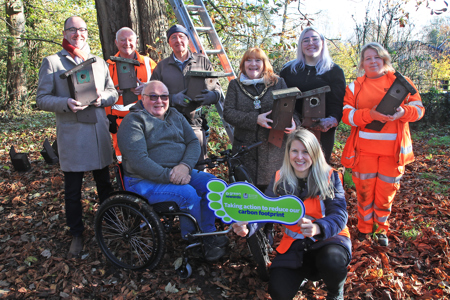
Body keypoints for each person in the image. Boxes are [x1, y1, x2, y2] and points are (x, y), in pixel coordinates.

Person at [233, 128, 351, 300]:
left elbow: (339, 214)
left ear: (315, 153)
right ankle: (302, 274)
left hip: (329, 241)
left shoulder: (330, 177)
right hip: (294, 245)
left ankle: (335, 292)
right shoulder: (279, 178)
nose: (299, 157)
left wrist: (318, 227)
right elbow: (265, 211)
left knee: (332, 261)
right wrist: (248, 226)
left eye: (305, 152)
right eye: (294, 151)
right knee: (279, 292)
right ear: (288, 153)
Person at [117, 80, 228, 261]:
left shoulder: (174, 114)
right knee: (188, 193)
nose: (159, 101)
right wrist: (170, 175)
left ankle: (207, 233)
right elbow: (139, 161)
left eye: (164, 96)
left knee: (215, 185)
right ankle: (192, 240)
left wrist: (184, 166)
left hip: (179, 171)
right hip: (143, 180)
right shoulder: (133, 121)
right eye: (153, 96)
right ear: (143, 98)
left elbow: (193, 142)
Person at [36, 16, 118, 256]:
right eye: (72, 29)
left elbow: (112, 91)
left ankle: (111, 223)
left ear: (86, 33)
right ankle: (76, 233)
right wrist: (65, 103)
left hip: (98, 132)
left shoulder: (99, 62)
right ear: (65, 33)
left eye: (81, 29)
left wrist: (104, 98)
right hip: (73, 134)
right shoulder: (52, 62)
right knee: (73, 190)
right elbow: (42, 98)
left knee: (104, 183)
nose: (77, 34)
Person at [341, 42, 425, 246]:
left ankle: (380, 231)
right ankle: (363, 229)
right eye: (368, 58)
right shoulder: (354, 87)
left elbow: (419, 110)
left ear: (384, 59)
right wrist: (370, 114)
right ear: (362, 63)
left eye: (377, 57)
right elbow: (346, 116)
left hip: (392, 153)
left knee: (385, 194)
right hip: (364, 152)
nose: (372, 61)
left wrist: (403, 112)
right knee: (364, 191)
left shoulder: (402, 83)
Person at [223, 47, 297, 191]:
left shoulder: (278, 83)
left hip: (273, 153)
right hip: (245, 153)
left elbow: (292, 111)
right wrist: (254, 119)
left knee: (272, 200)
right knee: (245, 198)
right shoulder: (235, 85)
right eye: (248, 60)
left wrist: (294, 123)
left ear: (264, 63)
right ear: (243, 64)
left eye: (258, 60)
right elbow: (228, 113)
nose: (253, 64)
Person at [151, 24, 221, 163]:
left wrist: (212, 96)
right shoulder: (162, 67)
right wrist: (172, 99)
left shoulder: (202, 61)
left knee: (198, 163)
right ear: (169, 42)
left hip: (195, 122)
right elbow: (152, 96)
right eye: (173, 37)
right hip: (169, 123)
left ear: (187, 39)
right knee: (174, 163)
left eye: (181, 36)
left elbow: (216, 88)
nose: (178, 40)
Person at [280, 27, 346, 164]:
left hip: (322, 131)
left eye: (315, 39)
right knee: (293, 166)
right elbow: (280, 98)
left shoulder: (334, 71)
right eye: (306, 40)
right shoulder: (289, 70)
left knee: (317, 166)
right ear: (300, 45)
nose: (311, 43)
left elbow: (338, 101)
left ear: (322, 42)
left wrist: (332, 120)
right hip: (293, 129)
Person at [105, 27, 157, 162]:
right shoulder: (107, 66)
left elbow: (163, 89)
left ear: (136, 42)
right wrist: (113, 91)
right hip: (118, 124)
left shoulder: (148, 63)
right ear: (116, 43)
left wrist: (147, 87)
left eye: (130, 40)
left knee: (149, 158)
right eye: (122, 40)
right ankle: (125, 183)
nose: (127, 43)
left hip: (147, 122)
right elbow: (98, 94)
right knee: (123, 160)